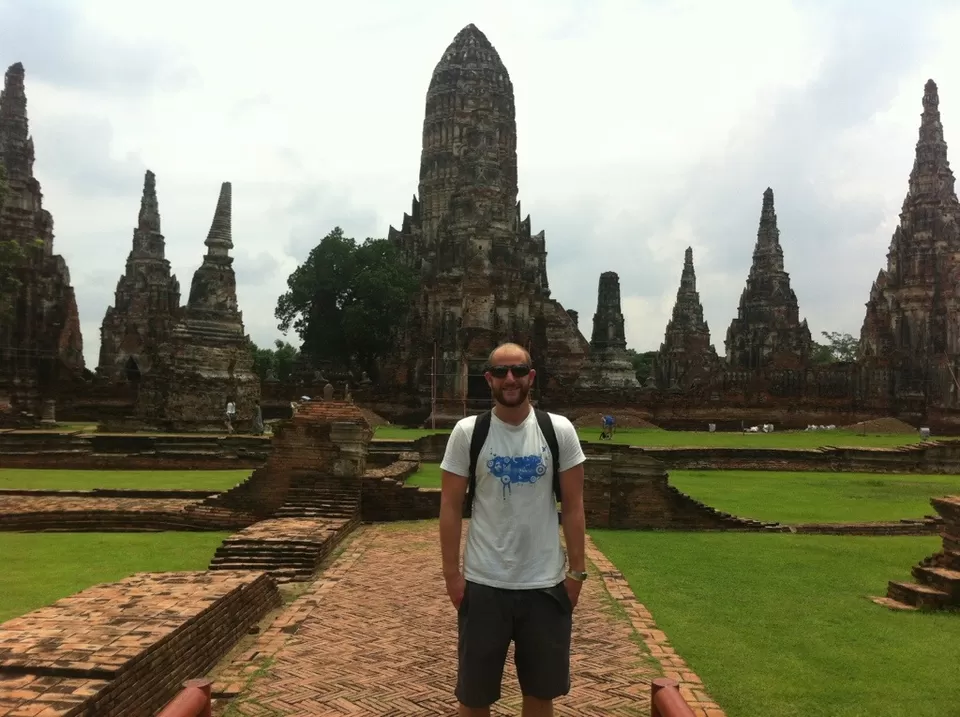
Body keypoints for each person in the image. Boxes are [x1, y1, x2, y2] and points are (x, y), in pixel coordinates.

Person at [439, 342, 587, 717]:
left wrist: (577, 574)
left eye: (519, 371)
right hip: (484, 581)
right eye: (502, 372)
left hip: (544, 583)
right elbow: (451, 507)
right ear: (487, 378)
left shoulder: (560, 431)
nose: (510, 379)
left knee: (540, 694)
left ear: (531, 377)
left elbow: (573, 506)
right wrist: (452, 575)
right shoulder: (467, 432)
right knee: (474, 697)